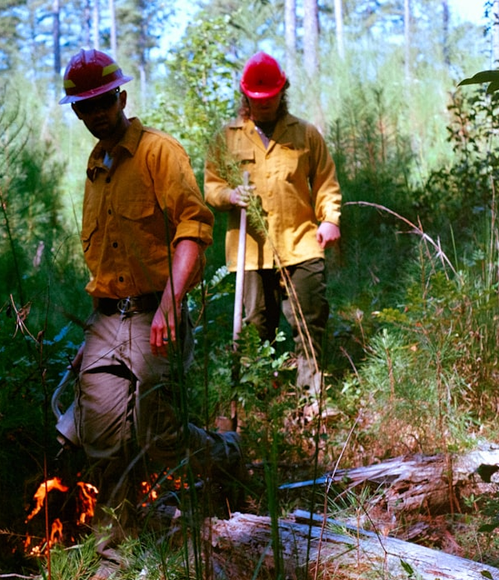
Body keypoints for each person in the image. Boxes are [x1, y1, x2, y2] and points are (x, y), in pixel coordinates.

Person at [59, 48, 243, 549]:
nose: (95, 114)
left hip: (153, 313)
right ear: (76, 111)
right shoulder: (97, 164)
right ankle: (117, 545)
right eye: (84, 107)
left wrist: (169, 304)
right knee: (101, 441)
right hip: (105, 321)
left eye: (102, 102)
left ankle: (227, 455)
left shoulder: (160, 152)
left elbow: (193, 227)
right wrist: (97, 330)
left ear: (120, 97)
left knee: (159, 433)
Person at [204, 51, 342, 400]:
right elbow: (210, 186)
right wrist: (229, 195)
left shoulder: (305, 134)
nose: (263, 104)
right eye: (256, 98)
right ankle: (255, 401)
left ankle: (313, 397)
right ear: (245, 96)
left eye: (270, 97)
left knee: (309, 320)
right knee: (255, 330)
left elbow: (325, 181)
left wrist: (329, 219)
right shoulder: (227, 138)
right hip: (250, 250)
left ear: (283, 92)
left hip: (301, 243)